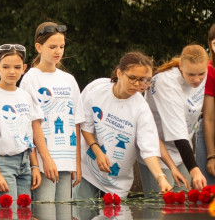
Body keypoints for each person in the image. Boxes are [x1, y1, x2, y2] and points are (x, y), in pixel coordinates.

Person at [76, 52, 172, 200]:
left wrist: (161, 178)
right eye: (132, 78)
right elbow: (85, 127)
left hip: (117, 184)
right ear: (119, 73)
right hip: (88, 172)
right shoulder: (97, 90)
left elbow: (149, 148)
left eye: (143, 80)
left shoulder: (141, 108)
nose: (137, 84)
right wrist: (97, 151)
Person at [0, 43, 54, 205]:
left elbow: (28, 136)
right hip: (2, 164)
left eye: (17, 67)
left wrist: (34, 166)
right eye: (6, 67)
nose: (12, 71)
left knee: (23, 219)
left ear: (24, 68)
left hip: (24, 165)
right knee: (5, 219)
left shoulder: (25, 96)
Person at [19, 22, 81, 217]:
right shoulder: (31, 78)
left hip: (66, 160)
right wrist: (45, 159)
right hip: (45, 162)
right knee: (45, 216)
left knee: (64, 219)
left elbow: (77, 122)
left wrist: (76, 163)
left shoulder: (68, 79)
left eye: (61, 47)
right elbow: (33, 122)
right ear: (39, 47)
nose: (58, 51)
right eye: (52, 47)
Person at [140, 44, 208, 192]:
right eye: (191, 75)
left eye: (201, 74)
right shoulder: (167, 83)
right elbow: (178, 135)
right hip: (156, 150)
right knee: (160, 207)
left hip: (181, 152)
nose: (197, 79)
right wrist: (195, 169)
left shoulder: (204, 74)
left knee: (184, 205)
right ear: (181, 67)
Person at [200, 24, 215, 184]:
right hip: (210, 135)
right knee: (208, 197)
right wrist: (211, 156)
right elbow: (209, 118)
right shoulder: (209, 71)